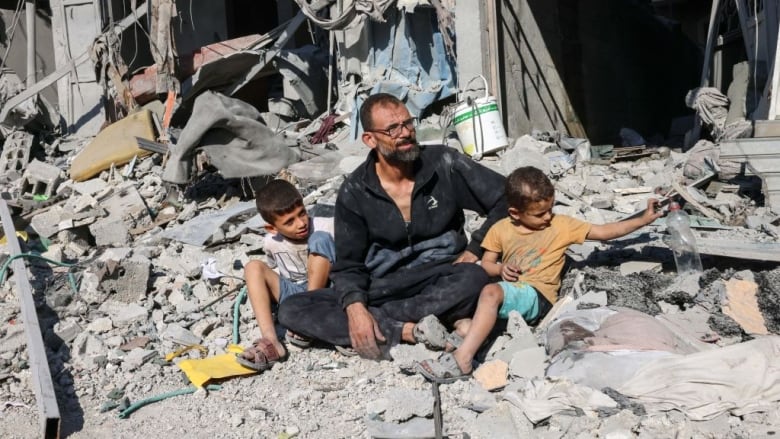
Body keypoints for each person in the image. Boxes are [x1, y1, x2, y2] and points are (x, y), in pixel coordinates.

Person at [277, 93, 507, 360]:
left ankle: (379, 328)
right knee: (291, 308)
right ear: (370, 139)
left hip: (442, 274)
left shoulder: (443, 164)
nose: (406, 133)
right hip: (384, 286)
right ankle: (409, 331)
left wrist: (477, 246)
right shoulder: (355, 192)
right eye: (392, 129)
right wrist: (355, 307)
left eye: (408, 124)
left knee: (474, 278)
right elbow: (349, 265)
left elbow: (506, 197)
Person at [417, 166, 663, 382]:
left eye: (550, 210)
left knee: (491, 292)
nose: (547, 217)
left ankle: (463, 360)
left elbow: (605, 231)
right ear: (514, 213)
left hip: (538, 296)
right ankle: (463, 334)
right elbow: (486, 265)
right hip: (511, 293)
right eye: (539, 214)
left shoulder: (562, 225)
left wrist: (643, 219)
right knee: (468, 294)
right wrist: (501, 269)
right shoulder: (500, 229)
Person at [236, 179, 336, 371]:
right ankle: (271, 340)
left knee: (320, 239)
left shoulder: (328, 226)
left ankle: (309, 315)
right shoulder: (271, 243)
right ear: (272, 228)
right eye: (289, 221)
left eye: (302, 214)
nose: (300, 224)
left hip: (326, 290)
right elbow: (275, 269)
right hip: (295, 293)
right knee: (253, 267)